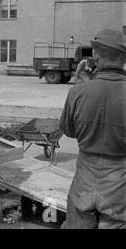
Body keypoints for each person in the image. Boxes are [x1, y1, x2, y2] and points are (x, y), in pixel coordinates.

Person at [60, 29, 125, 229]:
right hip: (119, 191)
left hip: (83, 188)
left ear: (96, 55)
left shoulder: (77, 92)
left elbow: (69, 131)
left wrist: (82, 88)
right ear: (123, 59)